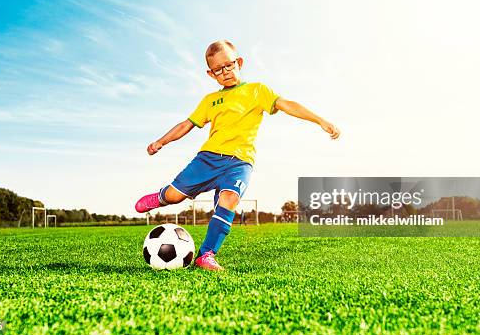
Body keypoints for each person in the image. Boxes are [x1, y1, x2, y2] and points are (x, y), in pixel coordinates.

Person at [135, 40, 340, 270]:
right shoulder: (210, 101)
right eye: (218, 70)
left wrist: (320, 120)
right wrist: (161, 141)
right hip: (208, 158)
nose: (225, 72)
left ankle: (206, 255)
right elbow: (187, 125)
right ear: (211, 74)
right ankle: (163, 196)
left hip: (240, 163)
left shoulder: (257, 90)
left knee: (229, 199)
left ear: (239, 62)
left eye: (229, 65)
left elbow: (287, 104)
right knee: (175, 197)